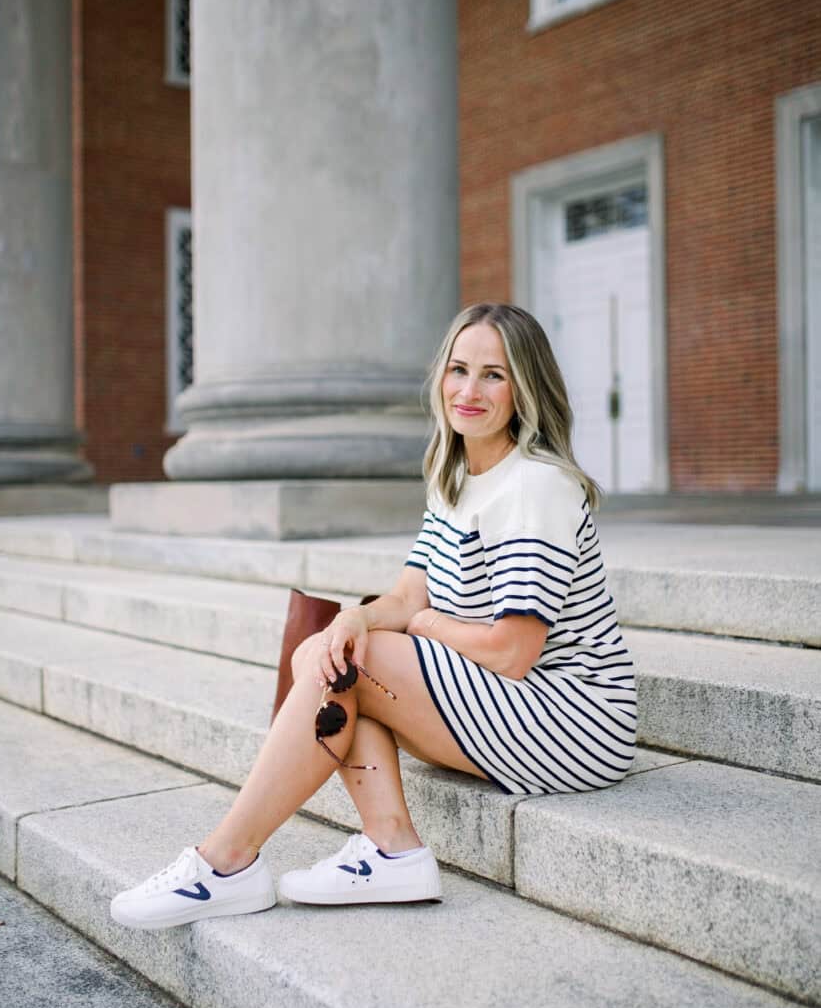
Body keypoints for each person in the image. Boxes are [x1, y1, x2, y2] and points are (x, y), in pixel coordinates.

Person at [111, 303, 636, 930]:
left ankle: (224, 862)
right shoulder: (457, 473)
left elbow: (510, 651)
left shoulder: (536, 487)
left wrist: (418, 628)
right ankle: (390, 846)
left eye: (494, 375)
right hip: (509, 704)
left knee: (358, 664)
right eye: (459, 369)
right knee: (330, 649)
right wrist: (353, 621)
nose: (469, 391)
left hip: (574, 719)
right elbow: (410, 595)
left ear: (526, 388)